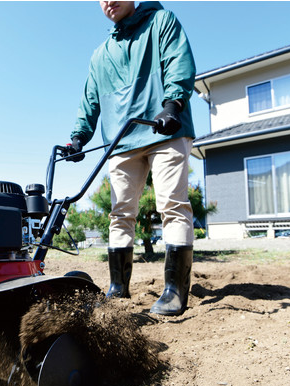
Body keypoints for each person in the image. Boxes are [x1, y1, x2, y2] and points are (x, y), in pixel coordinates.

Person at [68, 1, 196, 316]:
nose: (108, 1)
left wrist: (173, 105)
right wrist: (77, 138)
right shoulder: (100, 55)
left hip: (164, 130)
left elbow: (179, 61)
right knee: (120, 213)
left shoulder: (161, 22)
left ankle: (174, 290)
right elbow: (90, 100)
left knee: (172, 205)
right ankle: (117, 287)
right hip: (122, 141)